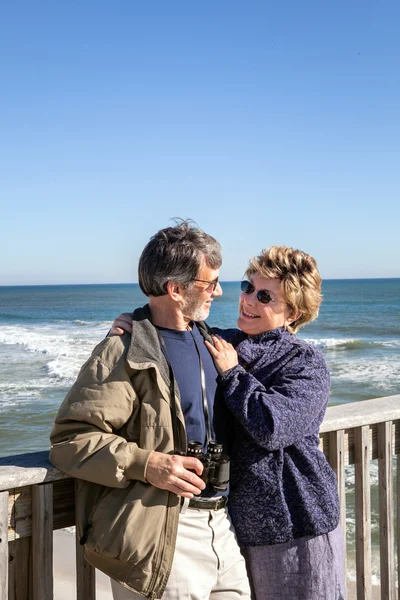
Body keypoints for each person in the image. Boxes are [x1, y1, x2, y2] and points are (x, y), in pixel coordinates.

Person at [112, 245, 345, 600]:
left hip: (296, 522)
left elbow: (272, 426)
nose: (247, 300)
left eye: (264, 296)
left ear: (293, 311)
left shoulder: (304, 362)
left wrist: (233, 373)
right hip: (238, 526)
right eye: (247, 287)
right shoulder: (225, 340)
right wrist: (135, 325)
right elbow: (176, 329)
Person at [49, 220, 251, 600]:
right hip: (160, 531)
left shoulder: (214, 343)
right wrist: (148, 464)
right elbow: (69, 440)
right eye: (210, 284)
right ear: (175, 289)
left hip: (221, 526)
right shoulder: (123, 351)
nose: (219, 292)